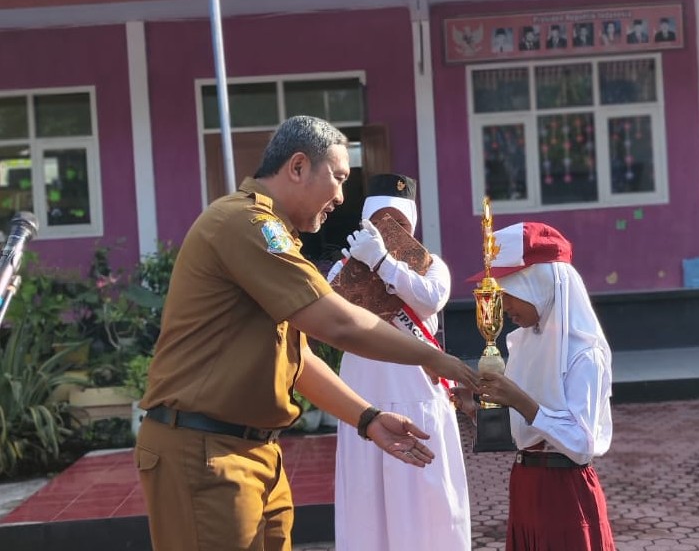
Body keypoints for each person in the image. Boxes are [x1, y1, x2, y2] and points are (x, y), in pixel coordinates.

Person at [135, 115, 479, 551]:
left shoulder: (273, 234)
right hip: (206, 451)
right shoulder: (246, 225)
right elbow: (338, 323)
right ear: (297, 167)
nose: (341, 197)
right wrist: (433, 357)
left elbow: (297, 361)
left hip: (252, 451)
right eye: (338, 178)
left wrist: (368, 418)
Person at [327, 173, 471, 551]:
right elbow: (329, 310)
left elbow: (431, 298)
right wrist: (362, 264)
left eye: (400, 224)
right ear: (366, 224)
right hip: (364, 399)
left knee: (427, 504)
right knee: (367, 501)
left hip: (417, 395)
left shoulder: (432, 266)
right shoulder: (343, 268)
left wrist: (383, 261)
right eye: (381, 222)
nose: (391, 231)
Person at [453, 221, 616, 551]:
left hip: (565, 494)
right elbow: (527, 433)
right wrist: (474, 410)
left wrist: (519, 400)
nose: (503, 307)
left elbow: (581, 444)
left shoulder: (584, 354)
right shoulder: (525, 343)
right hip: (527, 484)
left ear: (538, 285)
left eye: (509, 294)